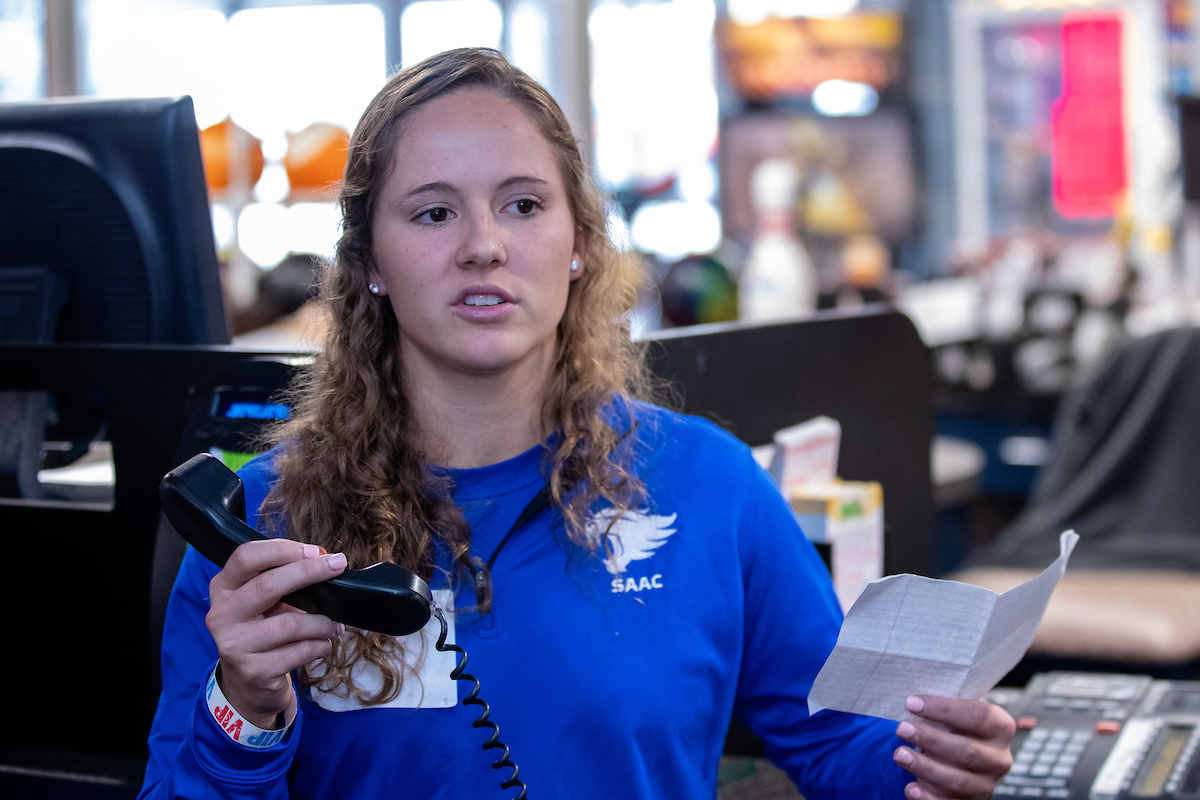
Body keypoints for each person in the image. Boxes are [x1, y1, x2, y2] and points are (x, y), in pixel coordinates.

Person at [139, 48, 1014, 800]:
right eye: (435, 212)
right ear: (367, 260)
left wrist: (935, 761)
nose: (484, 245)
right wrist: (243, 709)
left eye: (523, 204)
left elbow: (839, 743)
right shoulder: (264, 535)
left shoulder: (709, 484)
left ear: (580, 242)